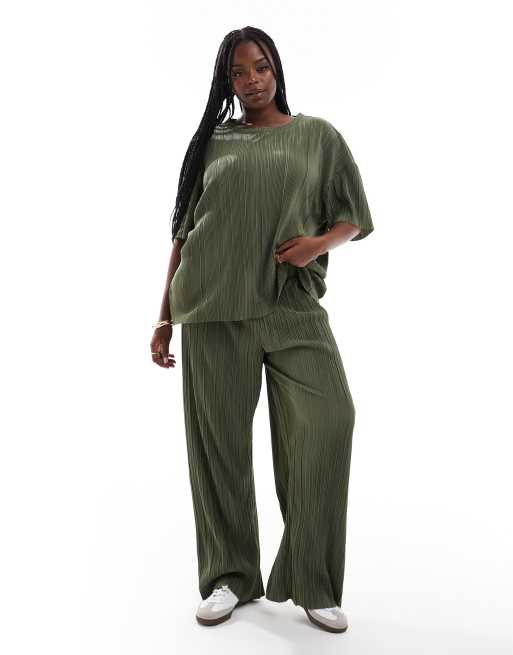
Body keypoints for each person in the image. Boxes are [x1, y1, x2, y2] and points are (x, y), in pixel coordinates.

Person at [150, 26, 374, 634]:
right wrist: (164, 317)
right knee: (218, 447)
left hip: (290, 305)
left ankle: (313, 580)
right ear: (226, 82)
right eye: (238, 72)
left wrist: (316, 246)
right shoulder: (213, 142)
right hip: (212, 308)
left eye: (261, 66)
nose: (251, 80)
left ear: (277, 68)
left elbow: (353, 217)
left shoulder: (317, 136)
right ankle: (229, 575)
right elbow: (184, 233)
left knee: (330, 420)